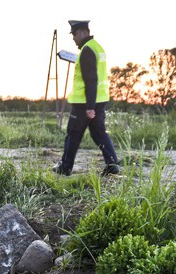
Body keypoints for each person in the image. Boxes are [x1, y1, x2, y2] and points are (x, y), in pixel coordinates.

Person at [54, 20, 120, 177]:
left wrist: (90, 107)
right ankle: (112, 164)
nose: (73, 38)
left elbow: (91, 79)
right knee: (99, 133)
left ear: (83, 32)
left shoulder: (87, 50)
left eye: (74, 34)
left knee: (73, 135)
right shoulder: (97, 47)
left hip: (84, 103)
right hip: (99, 99)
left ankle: (65, 168)